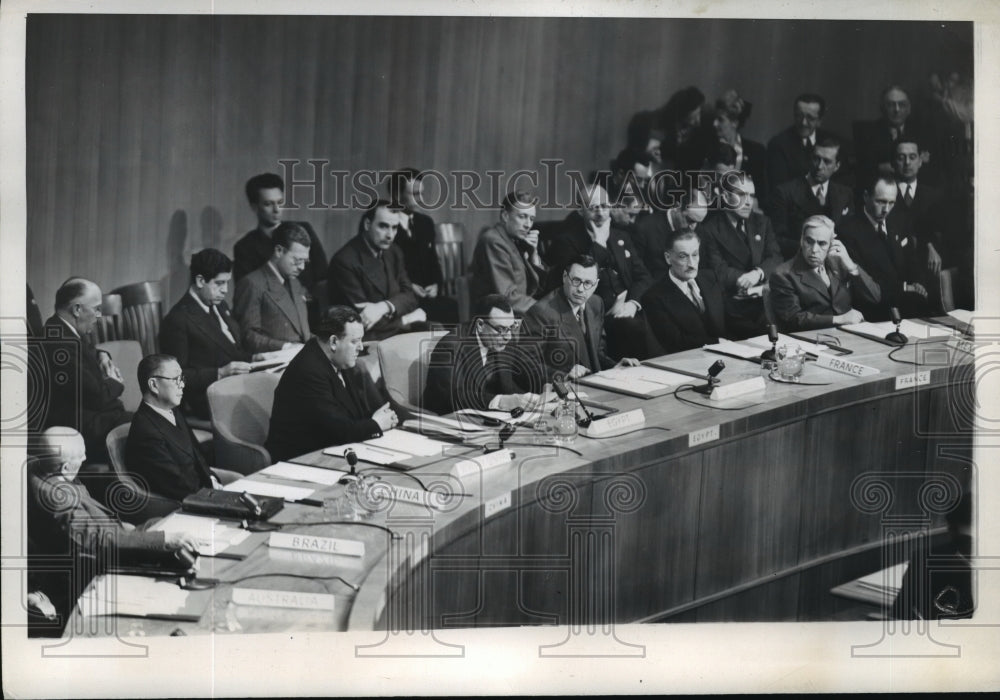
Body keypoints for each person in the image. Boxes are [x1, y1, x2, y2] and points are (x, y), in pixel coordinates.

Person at [26, 427, 198, 633]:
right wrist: (164, 540)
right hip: (103, 558)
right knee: (178, 557)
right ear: (64, 468)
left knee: (162, 525)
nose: (86, 458)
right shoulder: (56, 498)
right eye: (81, 455)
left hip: (116, 532)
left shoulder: (39, 465)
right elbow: (97, 539)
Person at [266, 306, 398, 462]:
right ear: (334, 342)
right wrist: (376, 424)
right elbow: (339, 430)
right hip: (301, 460)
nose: (361, 347)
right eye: (355, 341)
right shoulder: (308, 371)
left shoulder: (339, 360)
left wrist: (378, 420)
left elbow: (353, 417)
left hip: (332, 450)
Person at [547, 182, 655, 358]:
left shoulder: (621, 236)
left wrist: (632, 304)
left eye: (604, 206)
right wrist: (598, 244)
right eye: (593, 208)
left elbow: (643, 277)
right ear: (580, 211)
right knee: (635, 329)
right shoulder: (566, 242)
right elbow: (576, 286)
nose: (600, 213)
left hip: (629, 308)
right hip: (597, 317)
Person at [35, 278, 131, 463]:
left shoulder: (60, 329)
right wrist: (116, 382)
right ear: (77, 309)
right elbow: (98, 396)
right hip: (81, 428)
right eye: (96, 308)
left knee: (158, 419)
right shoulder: (59, 343)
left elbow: (87, 352)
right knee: (154, 424)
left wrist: (103, 355)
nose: (99, 315)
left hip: (93, 418)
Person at [159, 248, 260, 419]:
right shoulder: (177, 319)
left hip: (235, 386)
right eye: (219, 283)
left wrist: (256, 359)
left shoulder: (219, 306)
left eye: (227, 283)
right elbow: (175, 377)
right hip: (207, 398)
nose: (225, 290)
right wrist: (220, 372)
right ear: (200, 281)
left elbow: (233, 349)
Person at [125, 354, 239, 502]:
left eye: (182, 378)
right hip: (181, 504)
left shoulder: (172, 410)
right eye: (175, 379)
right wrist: (214, 493)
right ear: (154, 385)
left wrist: (212, 480)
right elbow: (176, 484)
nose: (183, 385)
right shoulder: (146, 431)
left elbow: (196, 455)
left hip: (203, 490)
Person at [423, 295, 546, 416]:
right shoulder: (450, 346)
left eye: (512, 327)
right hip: (448, 421)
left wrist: (551, 382)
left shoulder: (504, 338)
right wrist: (501, 401)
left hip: (490, 417)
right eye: (501, 329)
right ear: (480, 325)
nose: (508, 336)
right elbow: (449, 396)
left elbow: (524, 366)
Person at [523, 255, 640, 381]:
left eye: (588, 283)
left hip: (594, 384)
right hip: (563, 389)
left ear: (596, 285)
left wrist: (615, 366)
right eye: (576, 280)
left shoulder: (596, 303)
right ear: (564, 277)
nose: (580, 289)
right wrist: (564, 375)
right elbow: (526, 364)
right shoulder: (541, 312)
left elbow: (596, 352)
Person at [327, 199, 425, 341]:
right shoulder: (345, 261)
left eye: (395, 228)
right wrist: (406, 319)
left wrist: (383, 307)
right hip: (366, 340)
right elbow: (363, 321)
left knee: (437, 333)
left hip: (393, 332)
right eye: (383, 226)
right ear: (367, 224)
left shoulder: (394, 252)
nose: (390, 235)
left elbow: (410, 297)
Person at [837, 174, 930, 322]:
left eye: (891, 203)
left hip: (909, 305)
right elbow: (865, 282)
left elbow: (912, 259)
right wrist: (905, 287)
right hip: (875, 311)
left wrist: (918, 282)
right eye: (881, 202)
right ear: (866, 196)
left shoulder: (898, 221)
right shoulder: (848, 231)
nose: (886, 209)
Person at [699, 174, 782, 339]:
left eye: (751, 195)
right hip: (732, 304)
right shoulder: (710, 229)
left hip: (764, 299)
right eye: (741, 194)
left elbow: (776, 257)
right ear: (725, 196)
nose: (748, 201)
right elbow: (718, 270)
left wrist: (757, 273)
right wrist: (744, 279)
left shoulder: (762, 222)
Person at [768, 215, 881, 332]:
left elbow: (874, 297)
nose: (814, 250)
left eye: (822, 243)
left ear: (832, 244)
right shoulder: (783, 274)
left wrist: (851, 266)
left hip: (851, 333)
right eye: (809, 241)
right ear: (801, 240)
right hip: (812, 339)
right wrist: (839, 319)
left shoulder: (840, 262)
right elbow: (794, 319)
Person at [232, 172, 328, 295]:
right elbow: (247, 292)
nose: (277, 209)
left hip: (311, 307)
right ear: (254, 207)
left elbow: (323, 274)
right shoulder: (244, 248)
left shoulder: (305, 229)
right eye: (268, 204)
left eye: (280, 202)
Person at [388, 168, 459, 323]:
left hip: (426, 297)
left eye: (421, 193)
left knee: (450, 307)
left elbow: (434, 261)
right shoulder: (386, 226)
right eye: (414, 194)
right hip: (399, 297)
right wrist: (410, 287)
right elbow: (385, 270)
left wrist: (436, 285)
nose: (420, 199)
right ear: (396, 195)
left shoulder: (425, 223)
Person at [640, 230, 727, 354]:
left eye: (695, 254)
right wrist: (717, 343)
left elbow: (731, 318)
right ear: (668, 258)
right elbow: (675, 342)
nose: (691, 264)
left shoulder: (710, 278)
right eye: (683, 256)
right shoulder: (653, 297)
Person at [770, 135, 855, 258]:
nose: (820, 166)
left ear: (837, 166)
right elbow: (777, 239)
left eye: (827, 161)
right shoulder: (785, 192)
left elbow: (850, 235)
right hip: (798, 261)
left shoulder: (845, 194)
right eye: (816, 159)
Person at [233, 222, 312, 353]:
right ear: (279, 251)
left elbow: (303, 335)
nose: (302, 267)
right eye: (297, 260)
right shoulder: (251, 284)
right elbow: (248, 337)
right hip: (274, 364)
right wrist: (286, 347)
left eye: (305, 261)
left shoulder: (295, 283)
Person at [468, 190, 549, 315]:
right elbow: (508, 298)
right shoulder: (493, 241)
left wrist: (533, 255)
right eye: (522, 217)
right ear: (505, 216)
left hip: (517, 313)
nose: (528, 225)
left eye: (531, 219)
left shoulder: (514, 240)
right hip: (496, 320)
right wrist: (545, 310)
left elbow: (539, 289)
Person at [888, 138, 946, 277]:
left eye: (912, 157)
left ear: (920, 161)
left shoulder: (934, 196)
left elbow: (941, 234)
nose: (907, 163)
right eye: (901, 158)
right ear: (893, 163)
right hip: (894, 267)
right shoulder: (885, 194)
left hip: (928, 267)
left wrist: (931, 247)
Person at [632, 187, 709, 280]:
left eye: (698, 222)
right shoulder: (645, 228)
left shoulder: (701, 230)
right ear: (677, 207)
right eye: (690, 220)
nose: (693, 228)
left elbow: (703, 269)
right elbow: (638, 272)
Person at [710, 89, 769, 208]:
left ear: (735, 122)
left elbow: (762, 194)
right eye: (714, 119)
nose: (714, 124)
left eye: (720, 120)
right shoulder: (708, 150)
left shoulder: (756, 151)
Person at [766, 93, 838, 189]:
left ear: (819, 121)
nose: (803, 123)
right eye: (799, 116)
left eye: (810, 118)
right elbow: (780, 188)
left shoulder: (833, 143)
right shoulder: (778, 144)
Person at [853, 85, 923, 182]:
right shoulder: (867, 134)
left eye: (901, 104)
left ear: (909, 108)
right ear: (882, 108)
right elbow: (861, 168)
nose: (897, 110)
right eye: (891, 105)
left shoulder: (922, 132)